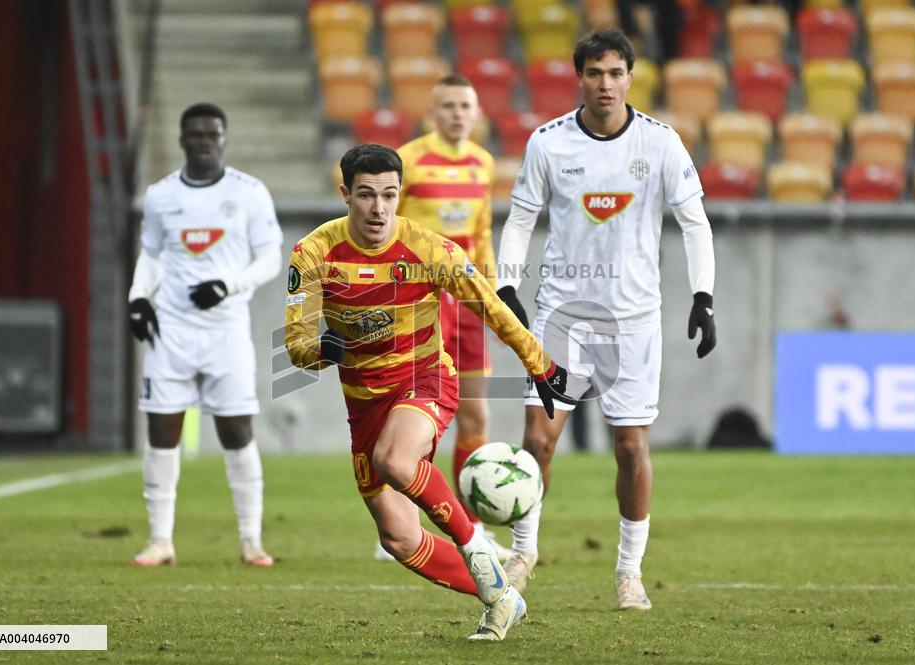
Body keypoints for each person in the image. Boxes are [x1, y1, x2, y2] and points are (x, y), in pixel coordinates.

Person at [284, 144, 574, 641]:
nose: (379, 208)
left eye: (389, 195)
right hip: (364, 402)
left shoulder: (430, 249)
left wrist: (540, 364)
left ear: (402, 194)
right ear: (345, 194)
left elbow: (491, 307)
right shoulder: (313, 253)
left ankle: (476, 547)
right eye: (366, 195)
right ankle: (502, 597)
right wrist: (322, 350)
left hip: (425, 380)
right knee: (398, 538)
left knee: (395, 460)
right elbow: (296, 345)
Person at [493, 29, 717, 611]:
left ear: (631, 77)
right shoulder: (548, 144)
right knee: (538, 439)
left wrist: (704, 296)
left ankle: (628, 571)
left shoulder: (661, 143)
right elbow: (520, 219)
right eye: (595, 73)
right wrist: (507, 282)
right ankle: (523, 552)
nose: (606, 84)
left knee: (631, 447)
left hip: (633, 319)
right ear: (580, 78)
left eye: (616, 73)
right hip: (561, 314)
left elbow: (695, 223)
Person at [127, 102, 283, 568]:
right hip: (171, 330)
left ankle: (251, 541)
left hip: (226, 332)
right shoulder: (160, 195)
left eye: (211, 134)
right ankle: (160, 540)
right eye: (194, 134)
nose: (203, 142)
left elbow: (270, 259)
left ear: (223, 139)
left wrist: (227, 285)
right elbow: (152, 255)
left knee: (236, 431)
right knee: (161, 431)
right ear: (181, 140)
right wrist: (138, 298)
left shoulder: (250, 193)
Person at [371, 74, 505, 561]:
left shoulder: (483, 163)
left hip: (466, 298)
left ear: (477, 113)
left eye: (465, 106)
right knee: (413, 413)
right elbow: (384, 228)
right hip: (418, 301)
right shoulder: (406, 160)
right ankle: (399, 525)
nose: (457, 114)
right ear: (432, 112)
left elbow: (482, 233)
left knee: (475, 412)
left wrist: (491, 294)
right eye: (447, 105)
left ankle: (473, 526)